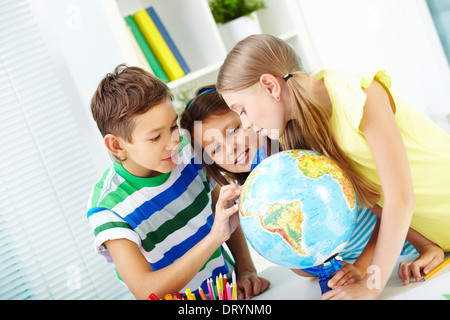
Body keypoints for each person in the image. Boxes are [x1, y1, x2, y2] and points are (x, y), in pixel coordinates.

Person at [216, 34, 450, 299]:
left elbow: (401, 197)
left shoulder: (359, 94)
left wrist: (371, 287)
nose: (245, 124)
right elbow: (373, 199)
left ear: (270, 86)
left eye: (242, 109)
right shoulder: (294, 133)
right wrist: (372, 266)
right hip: (440, 236)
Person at [179, 84, 427, 292]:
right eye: (215, 149)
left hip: (402, 250)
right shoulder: (254, 196)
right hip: (370, 271)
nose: (229, 148)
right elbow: (302, 269)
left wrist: (362, 267)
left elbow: (382, 204)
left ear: (249, 117)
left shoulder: (301, 154)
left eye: (233, 131)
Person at [87, 64, 269, 300]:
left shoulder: (188, 151)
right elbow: (145, 290)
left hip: (232, 296)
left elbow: (225, 216)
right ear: (117, 146)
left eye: (173, 126)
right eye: (155, 137)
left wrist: (245, 269)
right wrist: (214, 238)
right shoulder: (108, 207)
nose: (173, 142)